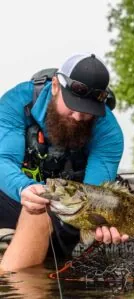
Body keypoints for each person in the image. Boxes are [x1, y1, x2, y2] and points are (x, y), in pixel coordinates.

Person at [0, 53, 127, 271]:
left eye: (88, 112)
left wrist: (101, 223)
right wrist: (25, 188)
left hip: (67, 213)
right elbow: (3, 159)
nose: (79, 117)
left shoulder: (109, 132)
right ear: (56, 86)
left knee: (39, 211)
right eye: (73, 105)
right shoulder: (17, 101)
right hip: (16, 193)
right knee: (35, 203)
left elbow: (93, 197)